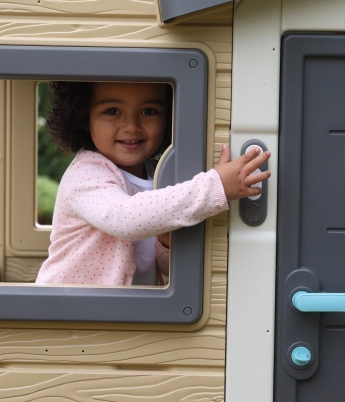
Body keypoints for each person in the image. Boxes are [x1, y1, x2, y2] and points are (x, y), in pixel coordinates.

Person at [35, 81, 270, 286]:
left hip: (129, 314)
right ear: (84, 117)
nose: (132, 126)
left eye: (148, 111)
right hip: (67, 312)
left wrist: (164, 243)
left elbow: (160, 267)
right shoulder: (85, 173)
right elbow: (125, 218)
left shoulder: (160, 174)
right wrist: (215, 186)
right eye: (112, 111)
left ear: (169, 118)